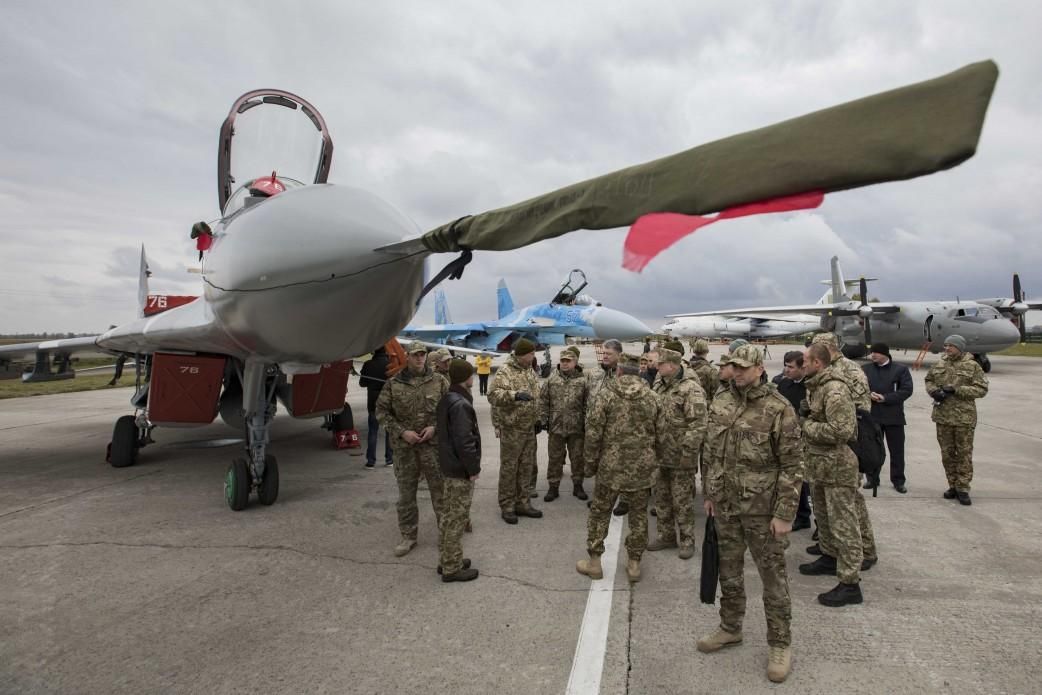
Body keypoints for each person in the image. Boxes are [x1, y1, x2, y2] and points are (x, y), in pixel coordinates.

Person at [698, 345, 802, 684]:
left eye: (743, 367)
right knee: (728, 572)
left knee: (772, 580)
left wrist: (785, 513)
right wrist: (711, 493)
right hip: (726, 506)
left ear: (759, 368)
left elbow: (792, 465)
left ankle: (780, 643)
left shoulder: (778, 408)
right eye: (732, 366)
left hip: (762, 511)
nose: (736, 372)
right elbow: (712, 453)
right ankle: (730, 627)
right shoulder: (721, 400)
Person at [576, 353, 662, 583]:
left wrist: (591, 465)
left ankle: (595, 563)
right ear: (640, 372)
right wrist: (655, 463)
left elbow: (593, 433)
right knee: (638, 517)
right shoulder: (653, 397)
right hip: (642, 469)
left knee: (599, 513)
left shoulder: (605, 396)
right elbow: (661, 435)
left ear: (619, 371)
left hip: (610, 468)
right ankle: (634, 564)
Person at [798, 344, 866, 607]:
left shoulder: (834, 389)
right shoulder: (816, 386)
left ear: (817, 363)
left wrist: (807, 424)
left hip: (837, 466)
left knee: (844, 524)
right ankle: (829, 556)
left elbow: (842, 431)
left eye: (805, 360)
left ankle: (850, 583)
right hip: (819, 465)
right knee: (824, 517)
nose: (802, 364)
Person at [809, 332, 877, 562]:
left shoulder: (849, 370)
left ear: (827, 347)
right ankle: (829, 548)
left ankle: (865, 550)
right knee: (826, 504)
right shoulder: (821, 371)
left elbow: (860, 411)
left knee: (850, 503)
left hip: (846, 447)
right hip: (824, 450)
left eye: (816, 347)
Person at [375, 342, 447, 557]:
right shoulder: (393, 384)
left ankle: (446, 534)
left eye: (422, 355)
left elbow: (448, 410)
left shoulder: (439, 381)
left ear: (426, 356)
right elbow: (381, 412)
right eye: (415, 355)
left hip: (432, 448)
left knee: (440, 493)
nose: (419, 359)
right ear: (407, 357)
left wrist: (435, 427)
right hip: (405, 450)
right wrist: (401, 431)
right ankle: (408, 536)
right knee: (406, 496)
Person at [647, 347, 707, 559]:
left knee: (682, 502)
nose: (656, 366)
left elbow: (698, 424)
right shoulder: (659, 385)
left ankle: (687, 540)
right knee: (661, 499)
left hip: (681, 458)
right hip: (660, 455)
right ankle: (666, 536)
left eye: (660, 364)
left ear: (672, 366)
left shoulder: (691, 389)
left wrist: (688, 453)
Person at [925, 335, 988, 505]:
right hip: (943, 416)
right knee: (947, 454)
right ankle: (952, 485)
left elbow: (981, 389)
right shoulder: (939, 364)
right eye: (945, 345)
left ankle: (963, 487)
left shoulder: (972, 365)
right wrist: (933, 391)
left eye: (951, 346)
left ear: (959, 347)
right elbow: (929, 380)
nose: (947, 348)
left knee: (964, 454)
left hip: (963, 418)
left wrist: (957, 390)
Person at [435, 359, 481, 582]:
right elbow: (465, 441)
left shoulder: (447, 398)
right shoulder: (461, 404)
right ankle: (452, 568)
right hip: (458, 469)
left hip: (448, 465)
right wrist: (472, 468)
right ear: (467, 377)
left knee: (447, 516)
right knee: (456, 518)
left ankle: (447, 559)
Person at [488, 338, 543, 524]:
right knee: (510, 469)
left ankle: (523, 503)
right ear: (521, 355)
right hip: (512, 429)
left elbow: (536, 396)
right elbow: (493, 396)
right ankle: (507, 505)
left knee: (526, 467)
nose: (533, 357)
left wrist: (538, 419)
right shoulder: (506, 371)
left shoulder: (529, 370)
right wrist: (514, 395)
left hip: (528, 428)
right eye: (530, 354)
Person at [538, 346, 589, 502]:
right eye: (563, 361)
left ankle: (578, 486)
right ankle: (553, 487)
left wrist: (587, 422)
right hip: (556, 427)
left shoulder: (583, 380)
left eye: (568, 361)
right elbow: (543, 401)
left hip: (577, 428)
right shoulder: (551, 380)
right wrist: (543, 420)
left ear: (575, 362)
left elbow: (588, 404)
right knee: (555, 458)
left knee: (578, 458)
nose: (565, 364)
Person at [862, 343, 913, 493]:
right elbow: (859, 387)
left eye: (876, 353)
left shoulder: (900, 370)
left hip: (894, 417)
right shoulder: (865, 369)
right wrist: (869, 394)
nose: (873, 355)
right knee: (872, 450)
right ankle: (872, 479)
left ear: (885, 354)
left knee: (897, 451)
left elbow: (906, 390)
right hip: (873, 417)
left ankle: (898, 481)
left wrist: (886, 398)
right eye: (872, 353)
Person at [588, 339, 630, 516]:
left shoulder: (625, 375)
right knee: (601, 466)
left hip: (620, 431)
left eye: (609, 354)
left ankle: (625, 500)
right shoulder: (594, 373)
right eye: (604, 353)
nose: (605, 356)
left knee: (623, 466)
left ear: (619, 355)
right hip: (598, 429)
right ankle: (602, 497)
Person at [772, 351, 811, 530]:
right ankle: (799, 515)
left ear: (803, 367)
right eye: (785, 366)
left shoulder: (810, 388)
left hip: (805, 441)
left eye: (791, 367)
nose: (786, 371)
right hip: (785, 440)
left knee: (805, 483)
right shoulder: (783, 384)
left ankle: (806, 517)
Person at [358, 346, 393, 468]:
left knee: (373, 432)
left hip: (373, 404)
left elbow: (362, 383)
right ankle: (389, 460)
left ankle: (371, 462)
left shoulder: (368, 364)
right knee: (389, 432)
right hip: (389, 403)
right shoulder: (391, 364)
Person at [688, 339, 720, 404]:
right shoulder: (711, 370)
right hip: (705, 406)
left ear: (694, 351)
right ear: (707, 351)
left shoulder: (685, 367)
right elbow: (717, 394)